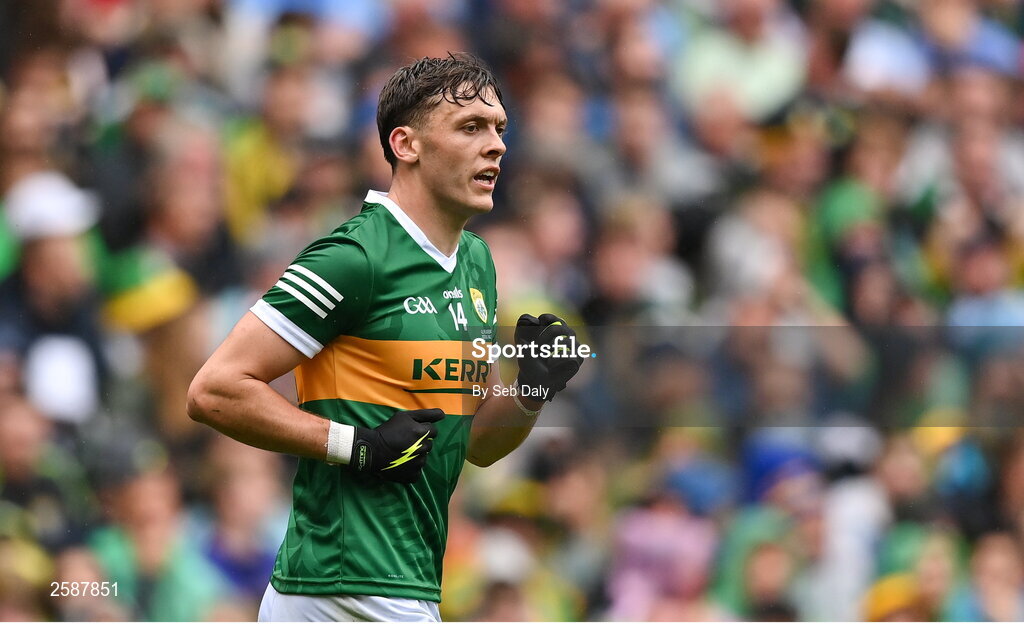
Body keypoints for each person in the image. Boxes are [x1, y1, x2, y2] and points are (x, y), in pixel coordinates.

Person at [186, 53, 584, 622]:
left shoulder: (477, 264)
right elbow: (214, 390)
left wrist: (530, 392)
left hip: (406, 583)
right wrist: (357, 445)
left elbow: (479, 444)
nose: (495, 145)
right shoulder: (356, 257)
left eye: (499, 128)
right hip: (342, 586)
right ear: (406, 144)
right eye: (470, 127)